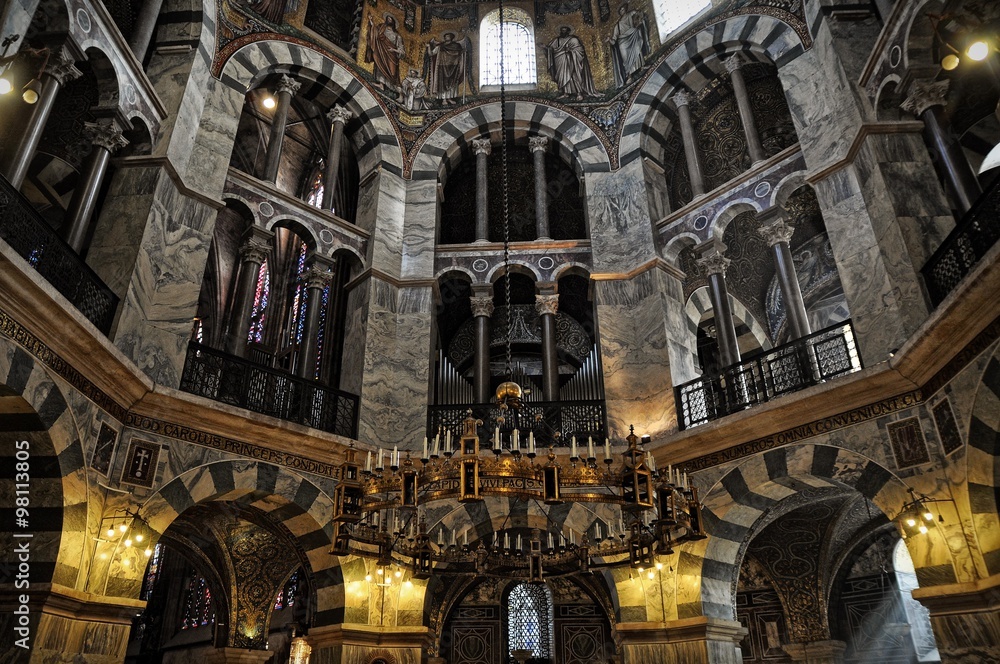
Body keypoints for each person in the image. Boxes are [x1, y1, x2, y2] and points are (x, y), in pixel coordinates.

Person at [543, 26, 600, 100]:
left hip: (571, 61)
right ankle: (565, 93)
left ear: (568, 31)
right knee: (562, 76)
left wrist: (570, 51)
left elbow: (580, 50)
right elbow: (550, 49)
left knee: (573, 76)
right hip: (560, 61)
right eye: (562, 30)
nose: (563, 32)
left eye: (564, 30)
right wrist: (545, 47)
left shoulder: (573, 40)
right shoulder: (557, 40)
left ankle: (579, 93)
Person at [425, 32, 473, 105]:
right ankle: (444, 99)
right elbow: (431, 53)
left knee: (452, 83)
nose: (446, 37)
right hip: (442, 66)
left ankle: (449, 98)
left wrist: (464, 51)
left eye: (448, 36)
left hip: (453, 67)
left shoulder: (456, 46)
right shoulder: (440, 46)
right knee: (442, 83)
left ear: (452, 37)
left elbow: (460, 53)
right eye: (445, 36)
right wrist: (429, 47)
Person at [609, 4, 650, 87]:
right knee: (626, 59)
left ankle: (642, 66)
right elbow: (613, 40)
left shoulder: (630, 14)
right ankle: (629, 76)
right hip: (623, 43)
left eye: (623, 9)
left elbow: (638, 13)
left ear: (626, 9)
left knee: (637, 49)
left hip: (632, 36)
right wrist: (609, 40)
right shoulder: (618, 25)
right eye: (620, 10)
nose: (622, 11)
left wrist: (640, 18)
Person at [365, 13, 406, 89]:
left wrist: (393, 50)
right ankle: (381, 84)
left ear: (393, 22)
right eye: (388, 18)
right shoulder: (382, 28)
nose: (389, 20)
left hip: (392, 56)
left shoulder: (397, 36)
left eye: (391, 19)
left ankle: (392, 87)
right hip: (381, 51)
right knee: (380, 65)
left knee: (392, 73)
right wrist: (371, 21)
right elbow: (375, 31)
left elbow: (402, 51)